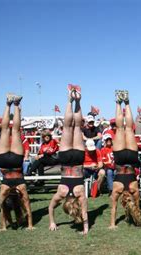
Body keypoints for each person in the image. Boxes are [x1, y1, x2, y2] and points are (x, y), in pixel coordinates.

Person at [48, 85, 89, 234]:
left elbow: (84, 214)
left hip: (77, 159)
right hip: (67, 159)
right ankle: (70, 100)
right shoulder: (61, 193)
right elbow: (51, 207)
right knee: (68, 127)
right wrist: (51, 221)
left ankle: (77, 101)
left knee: (76, 127)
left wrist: (86, 229)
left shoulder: (80, 195)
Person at [0, 94, 33, 230]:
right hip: (9, 163)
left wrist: (4, 227)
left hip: (10, 164)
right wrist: (29, 225)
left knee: (9, 131)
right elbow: (27, 203)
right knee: (13, 131)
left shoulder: (11, 188)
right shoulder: (15, 188)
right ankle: (12, 104)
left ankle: (11, 104)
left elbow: (2, 206)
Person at [109, 90, 141, 228]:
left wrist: (113, 225)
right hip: (121, 161)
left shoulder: (134, 191)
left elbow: (137, 206)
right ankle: (119, 102)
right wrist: (112, 224)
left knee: (127, 129)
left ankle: (126, 103)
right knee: (121, 129)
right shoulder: (117, 190)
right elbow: (114, 208)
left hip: (130, 159)